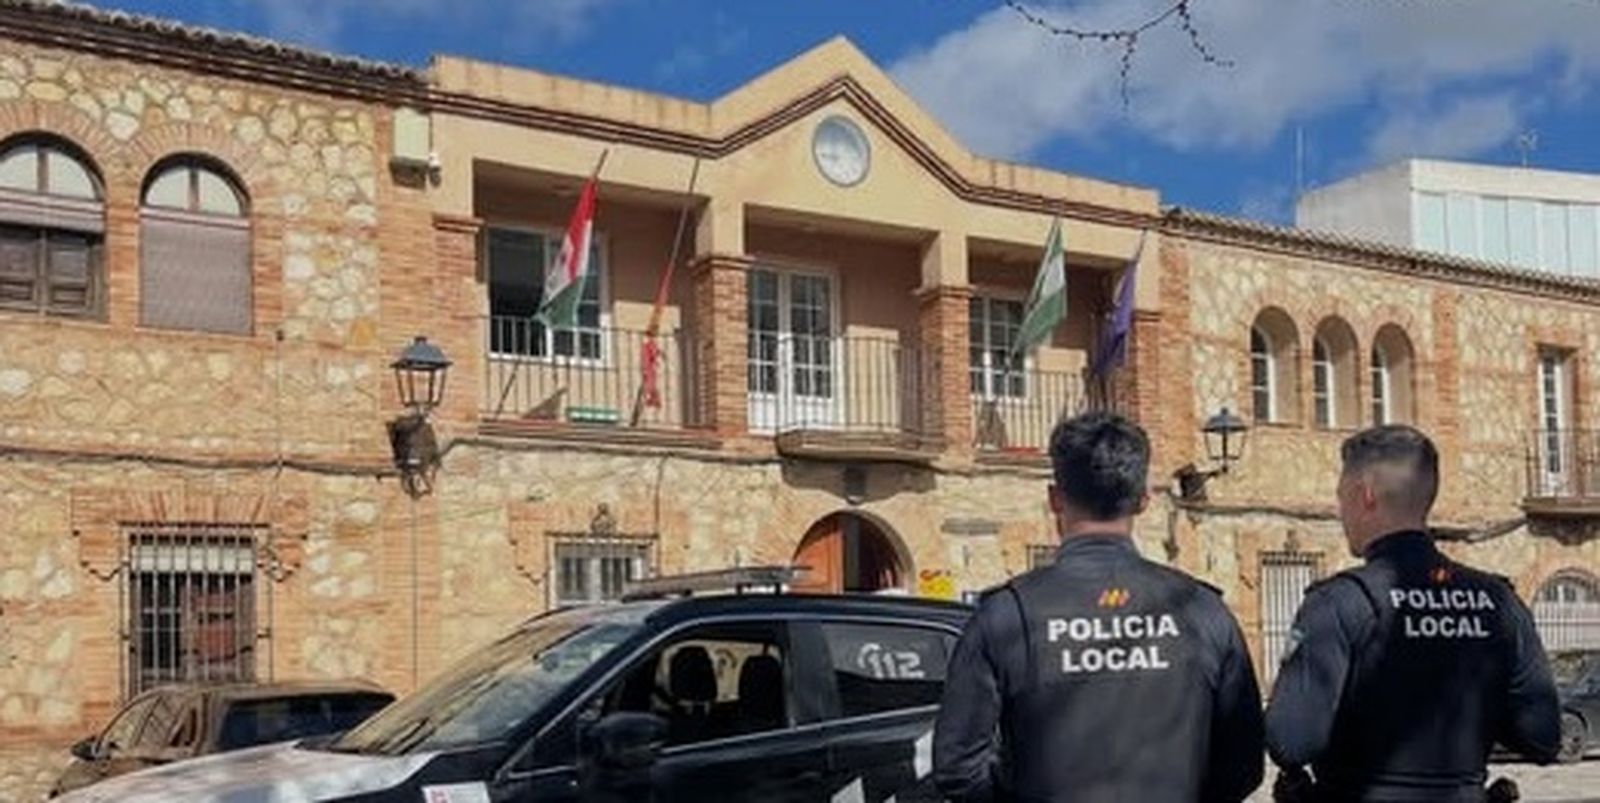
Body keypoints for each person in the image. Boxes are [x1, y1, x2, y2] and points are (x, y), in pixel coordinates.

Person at [933, 412, 1265, 803]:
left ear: (1055, 499)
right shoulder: (1202, 611)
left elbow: (958, 767)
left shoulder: (1006, 615)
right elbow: (1243, 764)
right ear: (1143, 499)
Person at [1265, 425, 1561, 801]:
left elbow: (1291, 741)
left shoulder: (1339, 602)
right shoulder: (1498, 601)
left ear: (1365, 494)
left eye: (1341, 498)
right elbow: (1543, 736)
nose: (1340, 513)